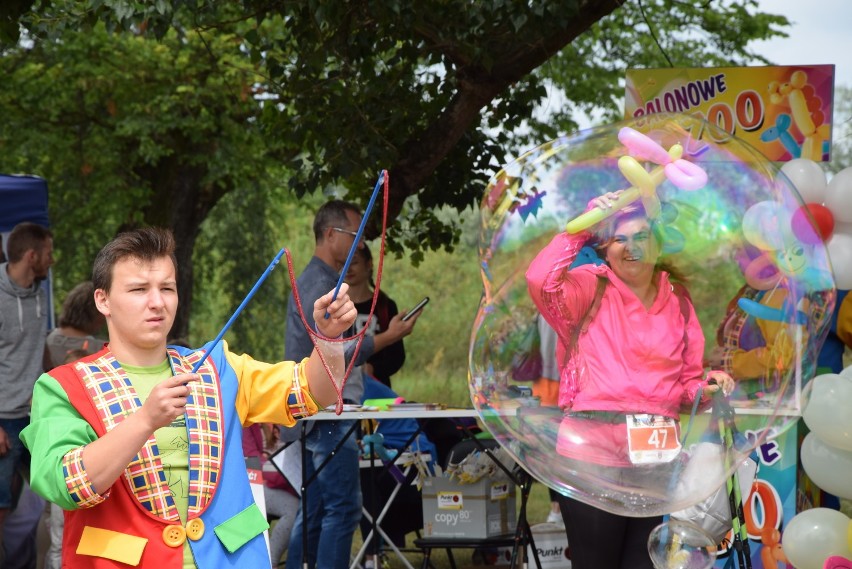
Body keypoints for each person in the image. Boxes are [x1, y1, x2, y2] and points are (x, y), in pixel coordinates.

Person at [20, 226, 355, 568]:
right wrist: (144, 420)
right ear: (102, 300)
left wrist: (329, 339)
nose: (157, 302)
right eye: (138, 289)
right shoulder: (64, 386)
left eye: (167, 288)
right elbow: (65, 483)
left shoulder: (217, 368)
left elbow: (315, 391)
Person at [526, 194, 733, 569]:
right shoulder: (590, 287)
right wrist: (586, 223)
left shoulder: (678, 300)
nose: (631, 247)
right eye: (620, 238)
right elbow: (540, 280)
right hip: (592, 457)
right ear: (606, 247)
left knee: (644, 563)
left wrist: (707, 387)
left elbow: (686, 386)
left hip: (654, 460)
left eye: (641, 237)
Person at [284, 200, 409, 569]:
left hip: (320, 411)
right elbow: (338, 347)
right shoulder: (321, 285)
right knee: (343, 508)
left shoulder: (321, 281)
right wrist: (388, 336)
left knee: (318, 507)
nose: (361, 241)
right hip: (326, 412)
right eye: (355, 234)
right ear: (330, 234)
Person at [41, 281, 108, 569]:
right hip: (89, 444)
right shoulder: (96, 349)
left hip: (52, 435)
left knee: (54, 521)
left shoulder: (49, 340)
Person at [0, 222, 54, 565]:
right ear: (31, 255)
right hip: (2, 419)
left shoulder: (39, 290)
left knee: (59, 490)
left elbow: (40, 348)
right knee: (1, 506)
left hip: (36, 415)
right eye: (48, 253)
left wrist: (54, 384)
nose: (52, 260)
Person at [346, 245, 419, 387]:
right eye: (344, 263)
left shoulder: (385, 306)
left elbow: (396, 356)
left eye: (354, 262)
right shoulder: (335, 306)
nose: (348, 269)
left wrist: (373, 369)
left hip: (377, 390)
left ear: (369, 264)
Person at [242, 423, 299, 567]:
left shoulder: (281, 417)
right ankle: (270, 562)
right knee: (294, 509)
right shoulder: (246, 423)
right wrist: (282, 475)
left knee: (309, 504)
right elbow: (252, 462)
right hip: (256, 483)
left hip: (285, 480)